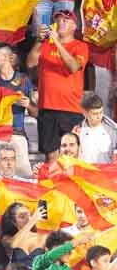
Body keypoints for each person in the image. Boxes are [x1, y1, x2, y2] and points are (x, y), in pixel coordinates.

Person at [28, 10, 88, 159]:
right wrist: (39, 41)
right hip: (47, 107)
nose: (61, 23)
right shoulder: (46, 45)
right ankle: (52, 182)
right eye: (59, 20)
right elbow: (30, 63)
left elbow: (73, 67)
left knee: (71, 154)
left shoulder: (80, 46)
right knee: (51, 155)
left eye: (66, 21)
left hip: (71, 108)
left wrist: (57, 43)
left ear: (74, 26)